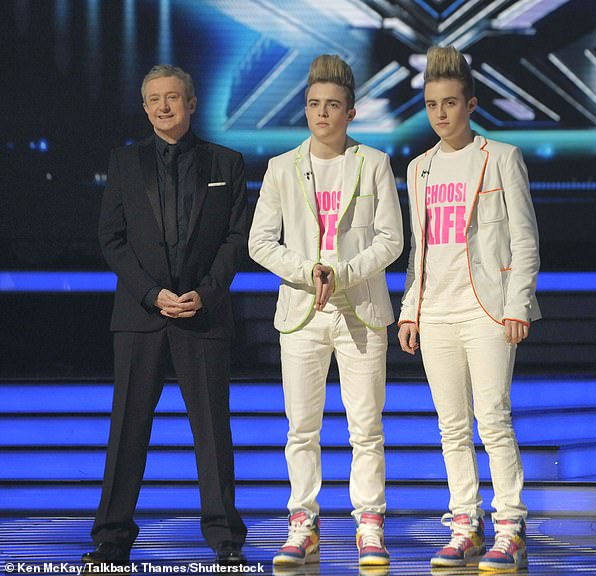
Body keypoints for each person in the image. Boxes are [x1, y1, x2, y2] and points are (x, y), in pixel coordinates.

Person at [82, 65, 248, 566]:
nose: (163, 107)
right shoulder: (124, 161)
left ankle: (225, 542)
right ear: (145, 105)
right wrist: (152, 293)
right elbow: (111, 239)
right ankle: (111, 541)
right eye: (153, 99)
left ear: (192, 104)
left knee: (213, 432)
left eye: (173, 97)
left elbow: (236, 239)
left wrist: (206, 292)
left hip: (204, 313)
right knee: (127, 429)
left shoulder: (227, 161)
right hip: (139, 315)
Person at [249, 54, 403, 568]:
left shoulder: (374, 163)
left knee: (366, 426)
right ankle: (303, 521)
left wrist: (345, 273)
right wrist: (307, 269)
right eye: (314, 104)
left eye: (332, 105)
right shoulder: (281, 168)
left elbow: (391, 239)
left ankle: (369, 523)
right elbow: (260, 242)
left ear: (350, 112)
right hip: (301, 310)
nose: (322, 114)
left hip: (359, 308)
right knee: (301, 426)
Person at [398, 46, 540, 572]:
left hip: (487, 309)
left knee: (493, 419)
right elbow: (420, 246)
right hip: (435, 310)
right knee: (450, 425)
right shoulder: (419, 168)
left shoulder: (501, 157)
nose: (441, 113)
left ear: (471, 104)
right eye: (433, 103)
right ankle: (465, 523)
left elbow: (524, 239)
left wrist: (517, 303)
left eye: (450, 102)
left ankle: (511, 526)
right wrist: (410, 308)